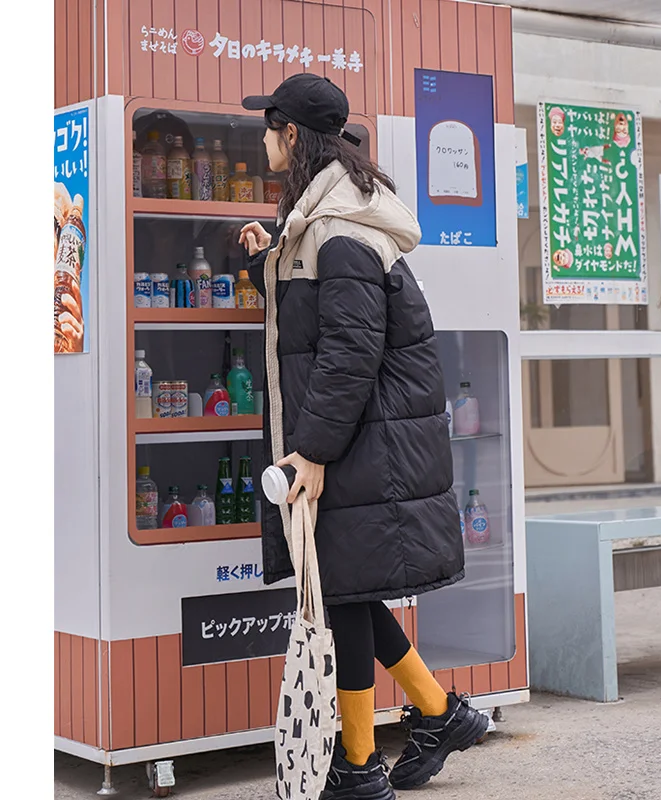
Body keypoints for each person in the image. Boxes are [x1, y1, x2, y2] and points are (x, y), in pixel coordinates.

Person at [239, 74, 487, 799]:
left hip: (357, 444)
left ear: (291, 134)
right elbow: (322, 322)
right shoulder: (329, 218)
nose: (262, 139)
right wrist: (267, 261)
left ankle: (358, 764)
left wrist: (313, 452)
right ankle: (436, 714)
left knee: (342, 594)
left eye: (268, 126)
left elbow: (350, 352)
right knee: (347, 590)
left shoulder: (339, 231)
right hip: (362, 438)